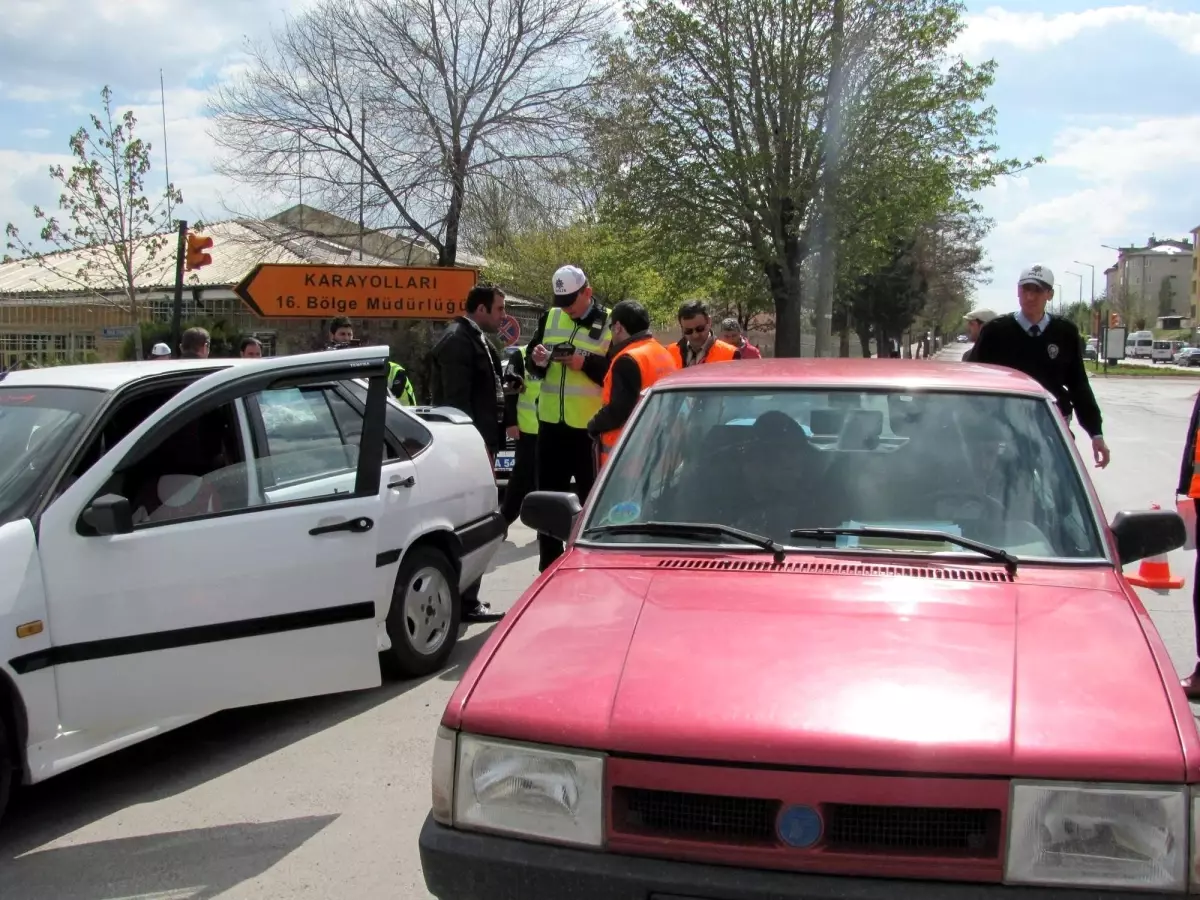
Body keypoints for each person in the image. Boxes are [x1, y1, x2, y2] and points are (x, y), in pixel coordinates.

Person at [971, 265, 1111, 469]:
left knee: (1056, 484)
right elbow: (975, 380)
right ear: (1018, 291)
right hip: (1003, 427)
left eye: (1037, 290)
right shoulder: (996, 331)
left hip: (1051, 424)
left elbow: (1078, 384)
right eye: (1025, 289)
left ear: (1049, 295)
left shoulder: (1064, 332)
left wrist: (1095, 433)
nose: (1030, 296)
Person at [525, 265, 613, 571]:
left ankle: (592, 564)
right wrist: (536, 360)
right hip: (551, 425)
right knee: (548, 503)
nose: (565, 309)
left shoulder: (610, 322)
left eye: (571, 302)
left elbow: (616, 373)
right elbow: (533, 364)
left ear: (587, 292)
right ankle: (548, 568)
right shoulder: (550, 317)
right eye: (561, 301)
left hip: (588, 431)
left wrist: (584, 363)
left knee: (592, 502)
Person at [588, 300, 678, 466]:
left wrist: (593, 424)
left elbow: (619, 411)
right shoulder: (663, 353)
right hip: (660, 454)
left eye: (611, 328)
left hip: (628, 461)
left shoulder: (628, 359)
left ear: (618, 327)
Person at [428, 283, 512, 459]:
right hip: (469, 446)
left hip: (484, 441)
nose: (504, 315)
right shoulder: (457, 339)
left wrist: (508, 384)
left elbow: (484, 386)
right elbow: (456, 401)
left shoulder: (477, 337)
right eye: (500, 309)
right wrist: (469, 444)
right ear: (482, 308)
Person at [499, 340, 541, 528]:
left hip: (553, 427)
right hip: (527, 429)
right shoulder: (520, 356)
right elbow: (509, 391)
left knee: (546, 479)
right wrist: (511, 422)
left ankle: (544, 526)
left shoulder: (558, 354)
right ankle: (505, 519)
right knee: (520, 478)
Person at [669, 300, 738, 367]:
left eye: (700, 329)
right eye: (688, 331)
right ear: (681, 328)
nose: (695, 335)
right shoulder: (670, 352)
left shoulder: (730, 354)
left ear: (709, 321)